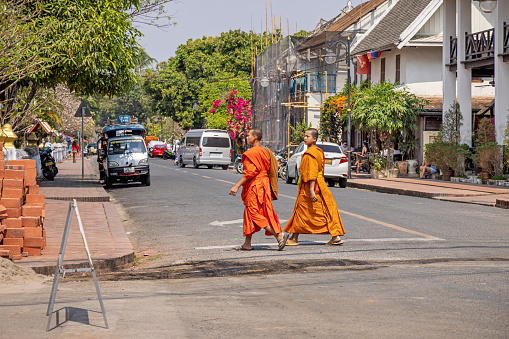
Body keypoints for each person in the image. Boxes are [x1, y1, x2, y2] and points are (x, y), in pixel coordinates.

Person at [229, 129, 290, 251]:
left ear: (255, 137)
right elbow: (276, 166)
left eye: (248, 136)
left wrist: (236, 186)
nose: (247, 138)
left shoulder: (252, 152)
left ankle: (279, 235)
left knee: (254, 213)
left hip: (255, 186)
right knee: (250, 213)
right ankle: (247, 243)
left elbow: (249, 173)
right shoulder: (266, 150)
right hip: (264, 184)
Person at [284, 128, 346, 246]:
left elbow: (312, 173)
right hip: (321, 185)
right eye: (305, 136)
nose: (305, 138)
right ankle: (335, 236)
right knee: (324, 209)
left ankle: (294, 238)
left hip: (311, 187)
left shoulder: (311, 153)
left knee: (303, 211)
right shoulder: (318, 151)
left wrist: (312, 191)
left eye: (307, 136)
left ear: (314, 139)